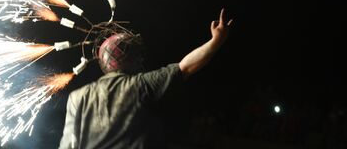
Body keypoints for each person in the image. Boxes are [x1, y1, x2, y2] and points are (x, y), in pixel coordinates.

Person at [59, 8, 234, 149]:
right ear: (132, 60)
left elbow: (68, 146)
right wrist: (216, 41)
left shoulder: (77, 97)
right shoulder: (141, 85)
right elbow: (186, 66)